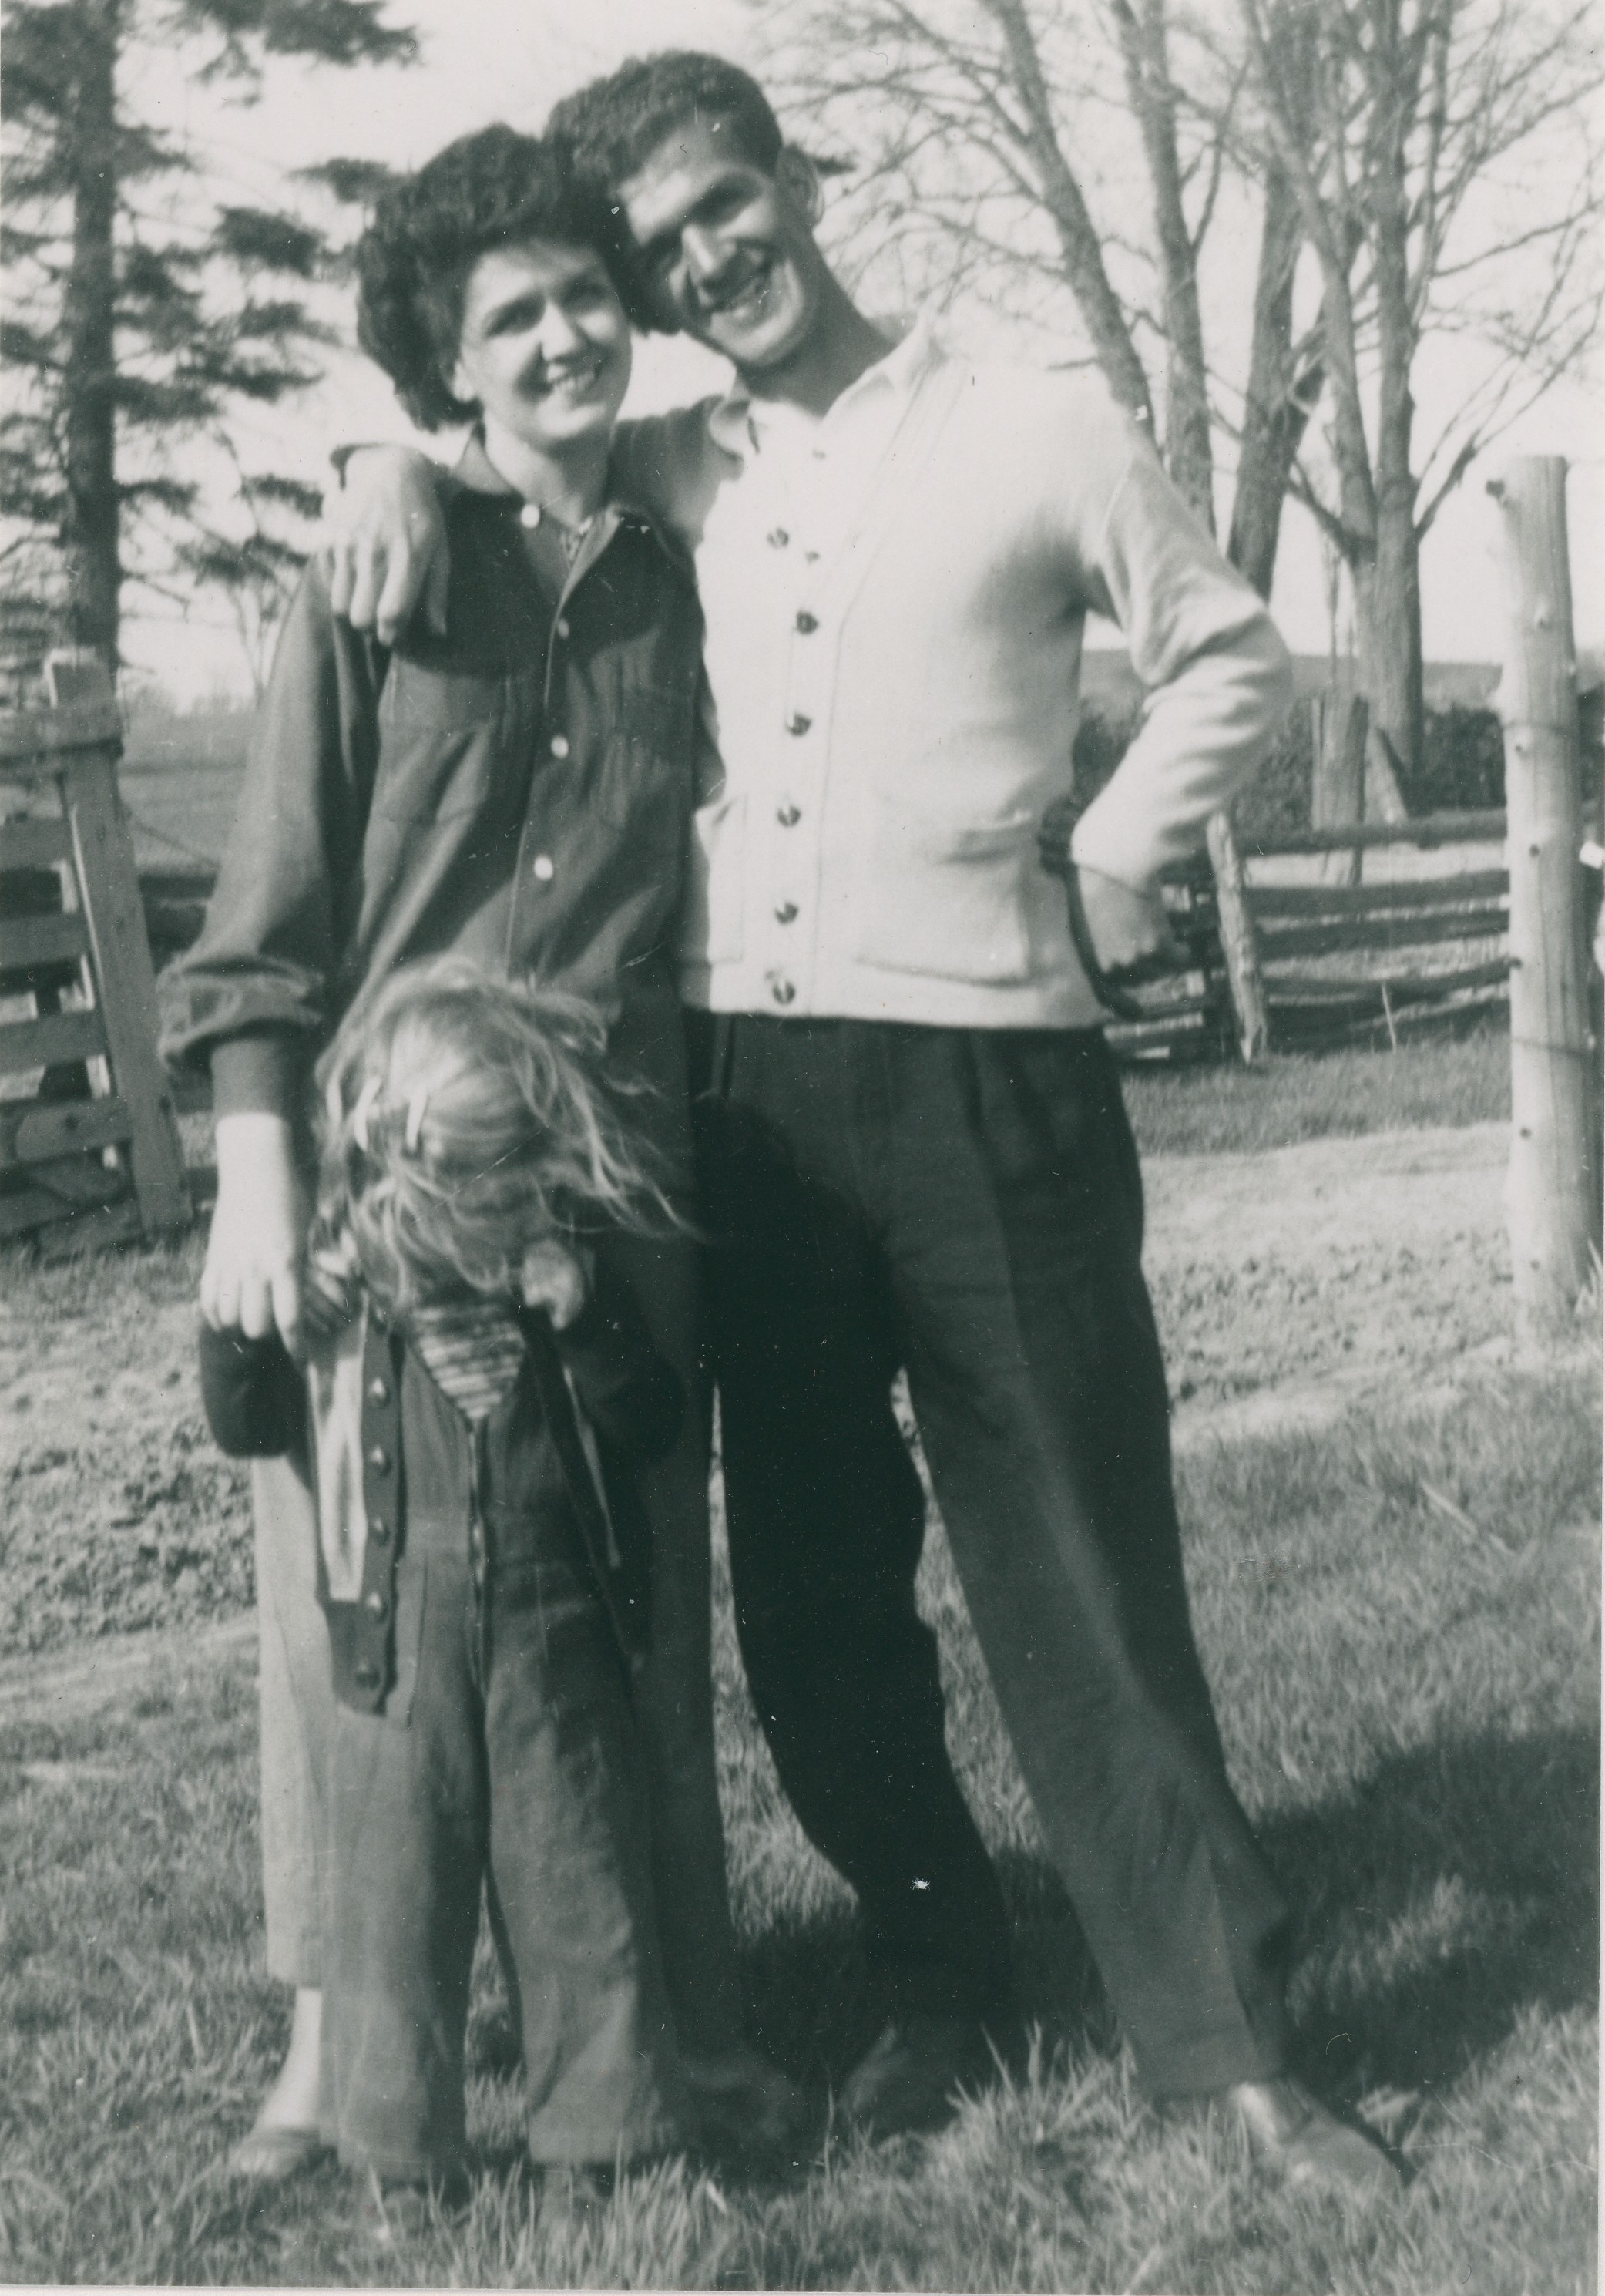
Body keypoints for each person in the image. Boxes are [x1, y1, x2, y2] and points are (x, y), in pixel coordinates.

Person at [324, 53, 1405, 2200]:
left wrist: (1115, 854)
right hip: (743, 1102)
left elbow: (1227, 654)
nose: (703, 260)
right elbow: (486, 442)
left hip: (992, 1080)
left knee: (1079, 1563)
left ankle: (1227, 2039)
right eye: (658, 248)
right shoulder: (663, 460)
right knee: (816, 1592)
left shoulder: (1033, 425)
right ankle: (941, 1977)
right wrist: (380, 456)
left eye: (725, 202)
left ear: (792, 178)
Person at [161, 120, 794, 2180]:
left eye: (583, 296)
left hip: (612, 1190)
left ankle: (677, 2035)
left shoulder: (681, 570)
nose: (560, 338)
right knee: (355, 1623)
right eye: (508, 318)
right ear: (443, 365)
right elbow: (262, 923)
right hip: (383, 1194)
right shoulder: (375, 575)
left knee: (631, 1609)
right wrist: (259, 1175)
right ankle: (325, 2063)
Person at [200, 960, 691, 2196]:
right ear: (404, 1170)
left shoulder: (557, 1266)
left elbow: (653, 1421)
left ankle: (600, 2141)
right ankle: (399, 2157)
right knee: (392, 1906)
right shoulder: (340, 1282)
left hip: (555, 1636)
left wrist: (586, 1319)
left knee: (579, 1883)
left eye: (520, 1190)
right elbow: (250, 1425)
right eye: (484, 1194)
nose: (501, 1222)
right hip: (392, 1647)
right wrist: (246, 1323)